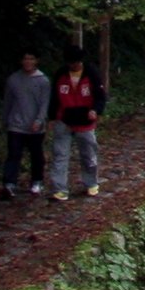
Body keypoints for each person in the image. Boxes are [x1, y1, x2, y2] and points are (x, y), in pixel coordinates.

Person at [50, 56, 105, 201]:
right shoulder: (61, 74)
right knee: (60, 155)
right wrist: (52, 117)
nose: (74, 65)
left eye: (77, 62)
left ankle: (91, 183)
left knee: (88, 154)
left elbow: (100, 96)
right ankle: (59, 189)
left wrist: (96, 110)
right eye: (71, 62)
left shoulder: (91, 73)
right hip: (64, 120)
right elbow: (54, 97)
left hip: (85, 122)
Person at [0, 53, 51, 198]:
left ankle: (37, 181)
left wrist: (39, 120)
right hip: (16, 124)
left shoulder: (43, 80)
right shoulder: (13, 79)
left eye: (31, 59)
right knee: (14, 154)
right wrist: (5, 120)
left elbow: (44, 103)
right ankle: (9, 183)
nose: (28, 62)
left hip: (35, 126)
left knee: (36, 155)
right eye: (25, 59)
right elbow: (8, 101)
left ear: (36, 61)